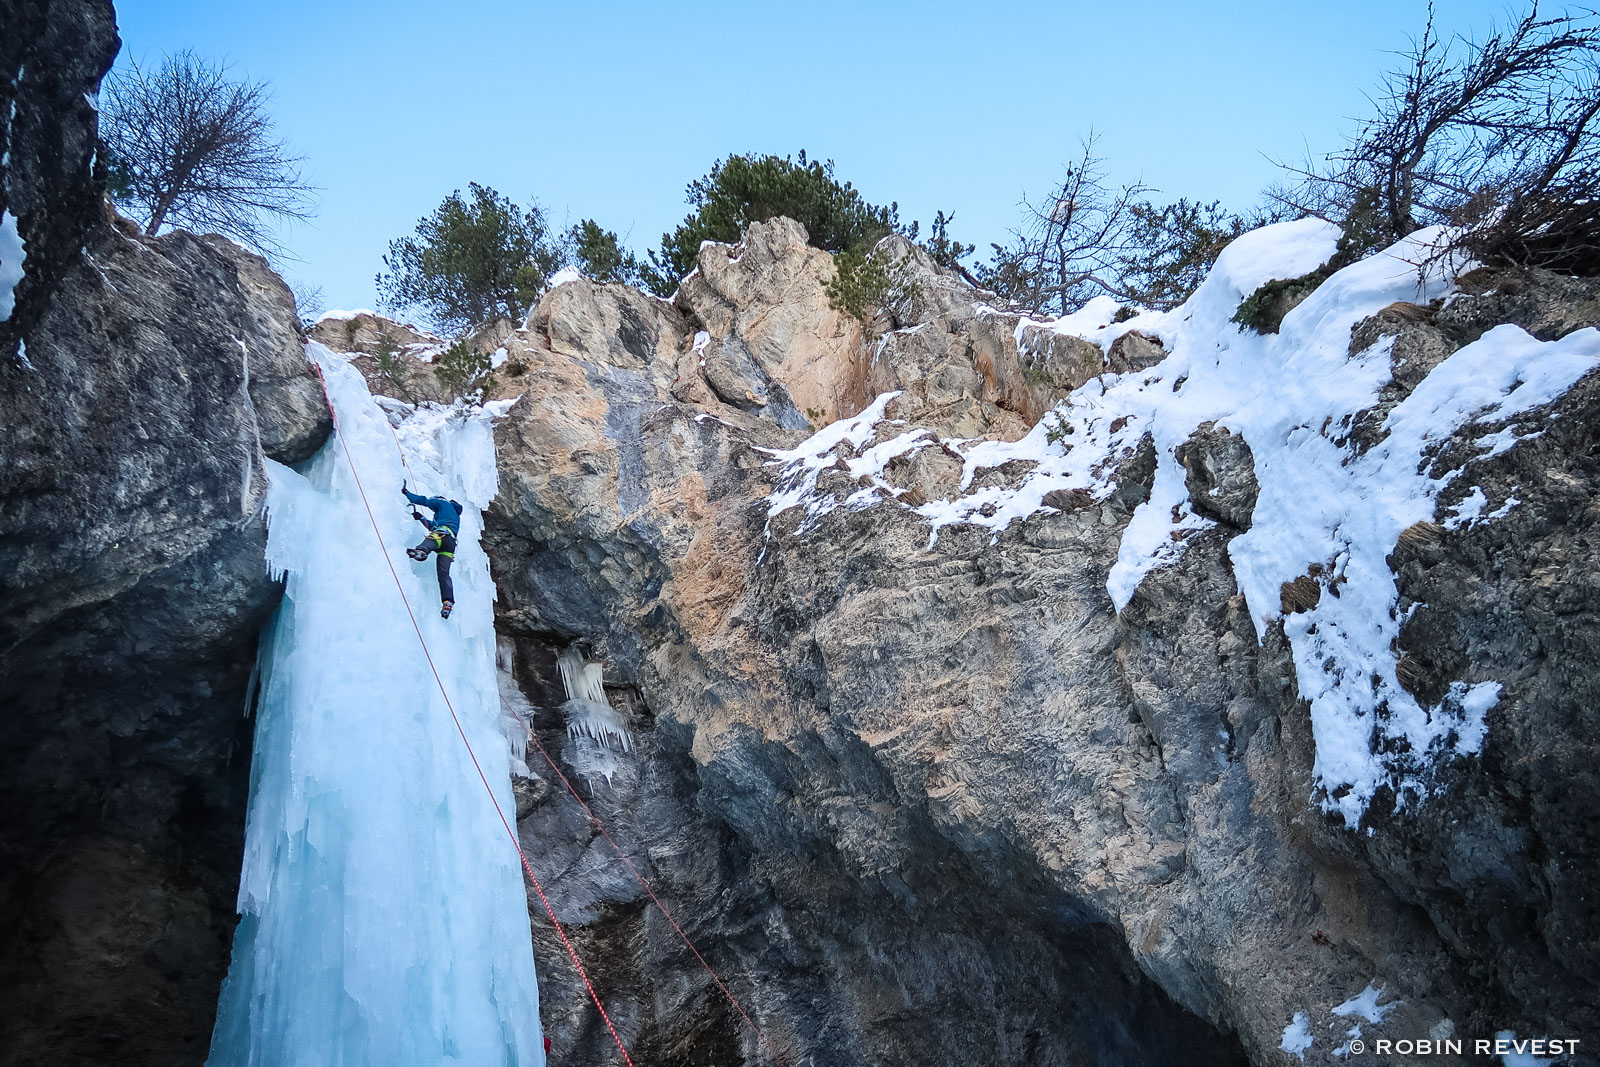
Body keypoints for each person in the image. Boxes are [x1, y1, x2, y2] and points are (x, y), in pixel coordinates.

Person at [402, 482, 463, 619]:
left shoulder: (442, 503)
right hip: (450, 544)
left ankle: (421, 552)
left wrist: (407, 494)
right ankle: (447, 603)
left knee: (431, 541)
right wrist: (421, 518)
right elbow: (432, 526)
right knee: (444, 574)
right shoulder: (454, 517)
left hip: (441, 535)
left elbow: (426, 501)